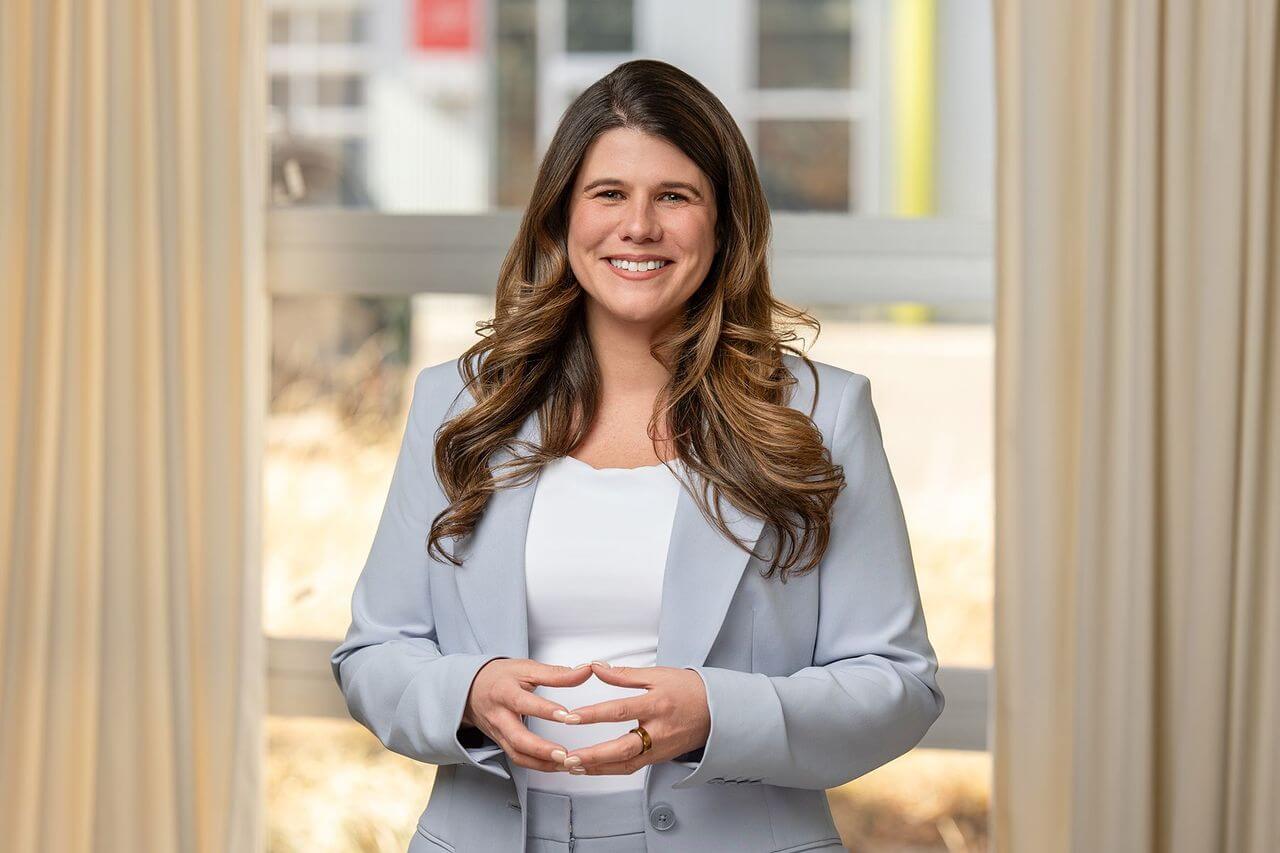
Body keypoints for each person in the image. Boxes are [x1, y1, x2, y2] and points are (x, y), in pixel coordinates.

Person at [330, 58, 944, 853]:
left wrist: (716, 712)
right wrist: (468, 691)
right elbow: (374, 652)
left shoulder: (820, 414)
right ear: (561, 217)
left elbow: (897, 682)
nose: (640, 227)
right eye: (609, 193)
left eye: (676, 197)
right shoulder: (460, 404)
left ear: (724, 224)